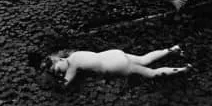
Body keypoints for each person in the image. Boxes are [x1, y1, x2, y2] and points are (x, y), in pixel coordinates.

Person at [43, 45, 192, 87]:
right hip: (113, 54)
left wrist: (56, 83)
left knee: (150, 73)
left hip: (115, 64)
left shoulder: (72, 65)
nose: (60, 73)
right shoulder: (75, 54)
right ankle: (171, 49)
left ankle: (183, 69)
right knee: (144, 59)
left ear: (60, 60)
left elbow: (66, 82)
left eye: (57, 70)